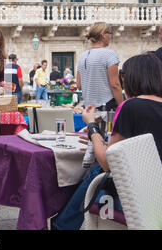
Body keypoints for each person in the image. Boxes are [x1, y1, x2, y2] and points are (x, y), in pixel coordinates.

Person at [52, 52, 162, 230]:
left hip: (132, 200)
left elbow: (107, 162)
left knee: (96, 172)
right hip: (156, 197)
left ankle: (61, 225)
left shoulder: (131, 106)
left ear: (131, 78)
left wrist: (92, 127)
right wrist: (100, 141)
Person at [76, 22, 123, 110]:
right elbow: (115, 85)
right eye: (110, 33)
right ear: (103, 34)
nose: (110, 36)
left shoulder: (82, 56)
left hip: (89, 108)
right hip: (106, 106)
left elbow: (79, 85)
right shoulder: (109, 54)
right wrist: (122, 106)